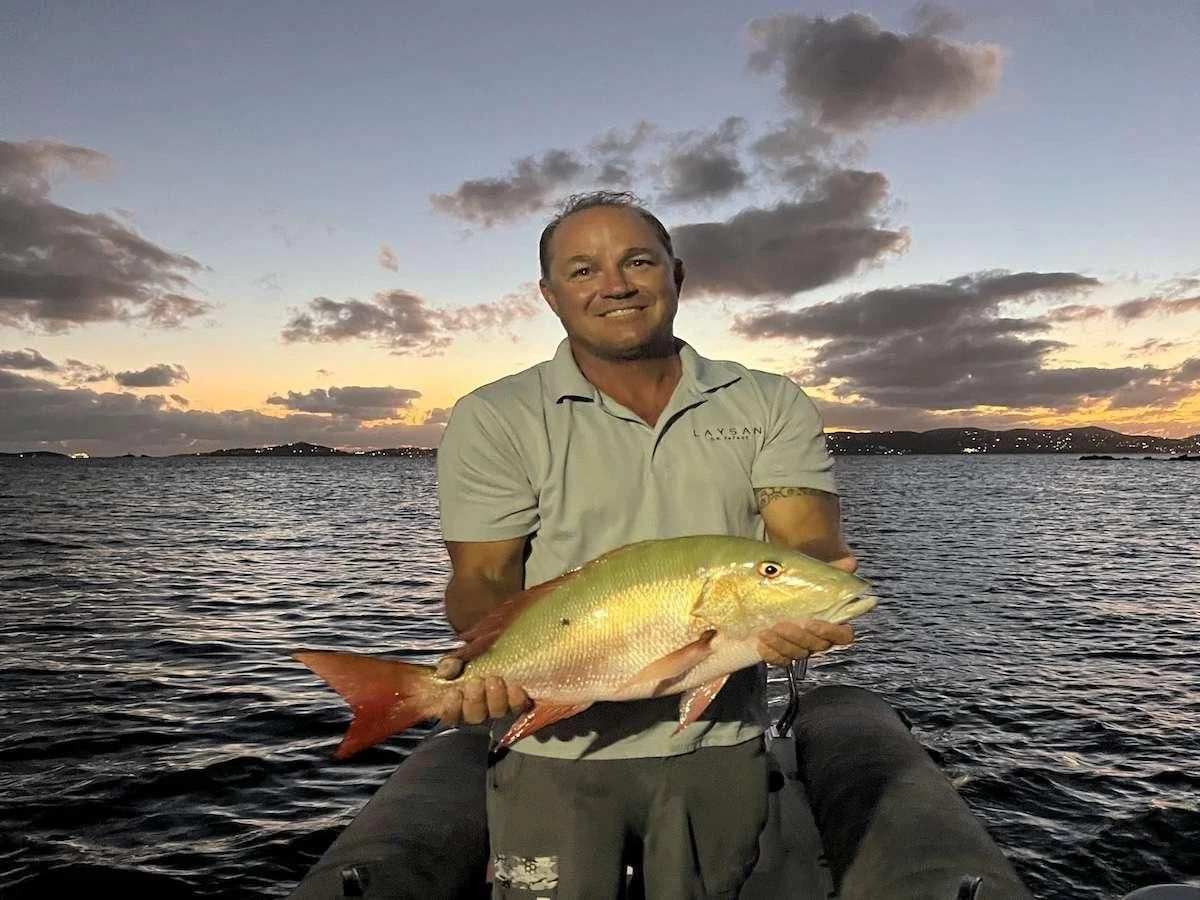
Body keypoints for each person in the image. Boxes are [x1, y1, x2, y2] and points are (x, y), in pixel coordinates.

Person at [433, 190, 859, 899]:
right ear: (549, 295)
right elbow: (482, 574)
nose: (616, 286)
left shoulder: (767, 401)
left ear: (676, 275)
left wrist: (809, 595)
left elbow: (804, 537)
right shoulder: (495, 417)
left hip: (716, 743)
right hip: (553, 746)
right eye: (583, 270)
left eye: (638, 261)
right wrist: (483, 655)